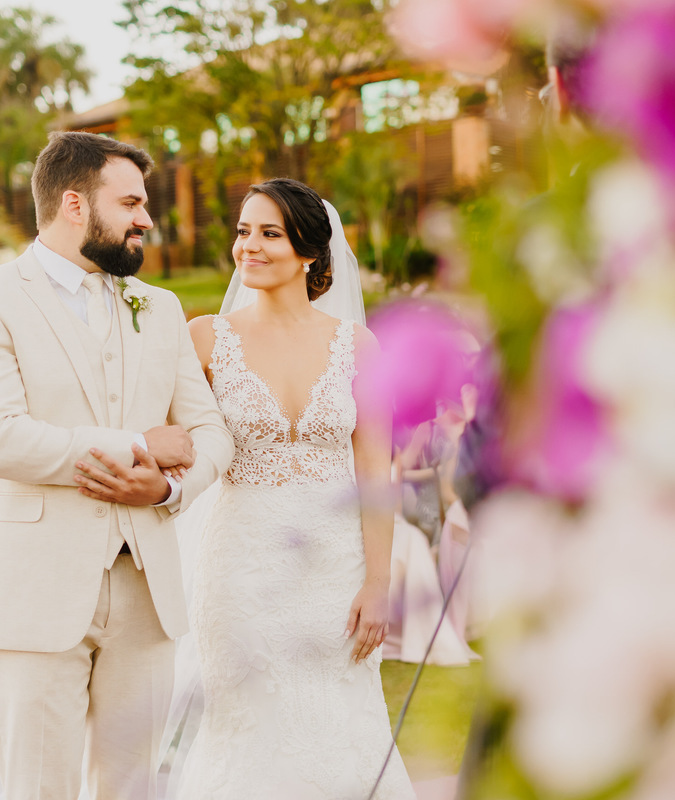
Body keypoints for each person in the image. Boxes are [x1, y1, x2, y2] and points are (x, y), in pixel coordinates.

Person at [0, 131, 233, 800]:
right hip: (34, 590)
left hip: (148, 591)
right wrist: (136, 443)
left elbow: (209, 433)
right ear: (74, 203)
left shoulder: (157, 307)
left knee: (134, 789)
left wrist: (165, 487)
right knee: (38, 790)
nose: (146, 219)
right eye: (130, 202)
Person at [168, 178, 415, 798]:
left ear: (309, 250)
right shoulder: (204, 339)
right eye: (243, 231)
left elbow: (374, 474)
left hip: (337, 569)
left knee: (344, 723)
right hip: (241, 569)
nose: (248, 246)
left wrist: (379, 582)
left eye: (268, 233)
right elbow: (168, 437)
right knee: (247, 726)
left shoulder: (359, 346)